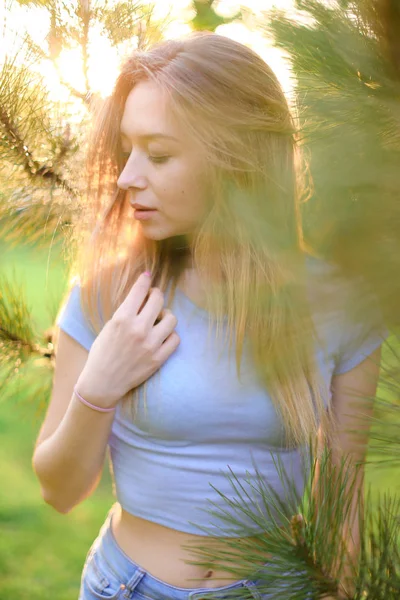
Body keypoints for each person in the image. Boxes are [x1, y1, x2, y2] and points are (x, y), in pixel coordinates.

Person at [32, 31, 387, 599]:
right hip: (129, 588)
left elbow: (339, 502)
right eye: (127, 149)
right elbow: (60, 491)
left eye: (160, 153)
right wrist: (99, 384)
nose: (127, 177)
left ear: (236, 158)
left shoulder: (339, 304)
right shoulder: (108, 294)